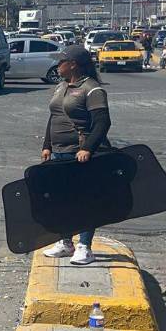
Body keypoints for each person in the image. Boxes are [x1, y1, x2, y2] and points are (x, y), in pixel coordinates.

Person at [40, 45, 113, 266]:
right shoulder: (61, 87)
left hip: (79, 154)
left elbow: (102, 122)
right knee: (63, 200)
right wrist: (47, 145)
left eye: (61, 61)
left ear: (73, 64)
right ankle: (65, 242)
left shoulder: (92, 89)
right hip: (59, 153)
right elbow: (54, 117)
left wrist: (88, 148)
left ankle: (84, 246)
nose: (57, 65)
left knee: (84, 200)